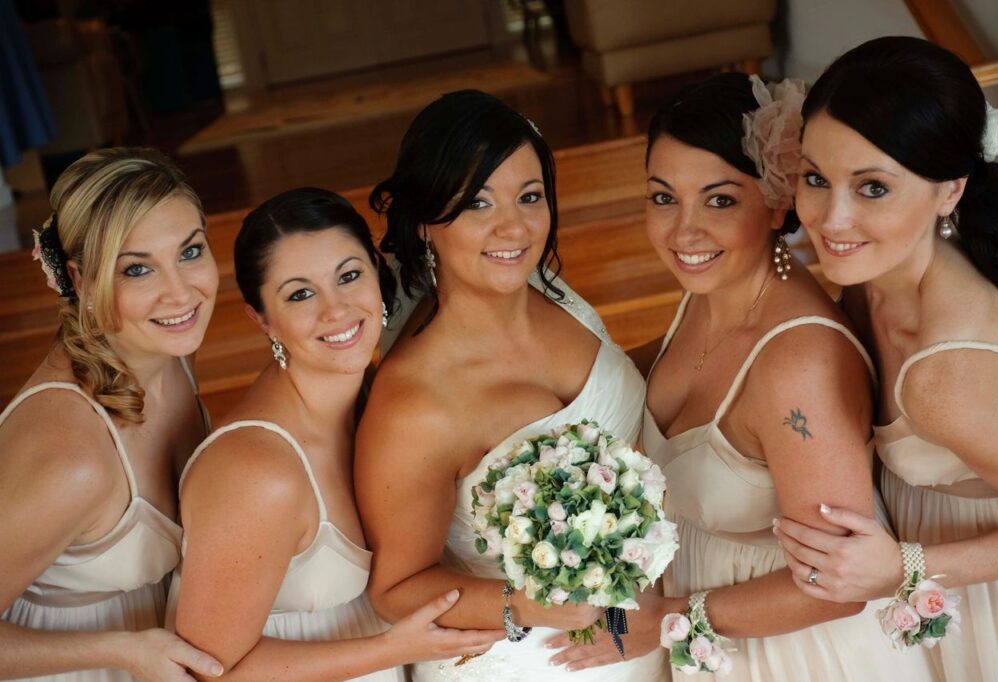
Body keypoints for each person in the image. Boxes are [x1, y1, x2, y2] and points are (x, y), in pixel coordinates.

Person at [550, 73, 937, 680]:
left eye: (720, 199)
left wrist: (667, 617)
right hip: (708, 641)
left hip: (799, 658)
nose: (684, 231)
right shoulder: (710, 295)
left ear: (778, 199)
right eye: (663, 197)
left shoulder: (797, 366)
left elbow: (837, 585)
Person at [354, 90, 670, 681]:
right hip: (527, 662)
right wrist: (524, 605)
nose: (513, 226)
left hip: (636, 635)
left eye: (529, 197)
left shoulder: (554, 293)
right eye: (477, 203)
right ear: (425, 223)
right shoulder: (414, 404)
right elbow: (396, 588)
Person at [167, 187, 501, 681]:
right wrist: (390, 649)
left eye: (349, 276)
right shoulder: (258, 471)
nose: (336, 309)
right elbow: (203, 674)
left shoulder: (379, 402)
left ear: (376, 273)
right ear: (262, 319)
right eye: (300, 293)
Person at [775, 36, 998, 682]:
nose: (831, 218)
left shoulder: (945, 375)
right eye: (815, 178)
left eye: (873, 188)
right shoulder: (874, 273)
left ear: (950, 191)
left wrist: (905, 568)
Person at [0, 148, 224, 680]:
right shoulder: (73, 458)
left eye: (190, 252)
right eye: (139, 268)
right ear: (79, 280)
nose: (181, 291)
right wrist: (120, 651)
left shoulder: (168, 354)